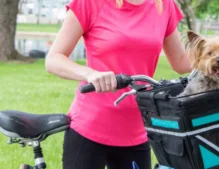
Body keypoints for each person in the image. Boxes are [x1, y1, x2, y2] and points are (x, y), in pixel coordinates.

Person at [45, 0, 191, 168]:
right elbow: (54, 59)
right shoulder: (89, 3)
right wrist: (90, 73)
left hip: (136, 130)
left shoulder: (164, 5)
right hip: (91, 126)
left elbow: (181, 62)